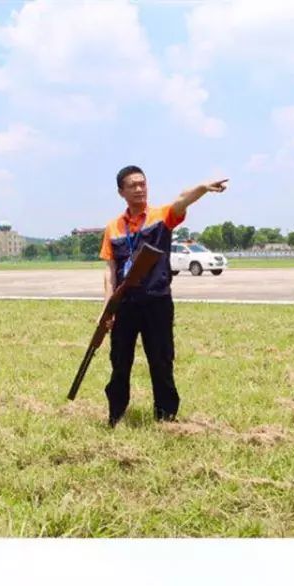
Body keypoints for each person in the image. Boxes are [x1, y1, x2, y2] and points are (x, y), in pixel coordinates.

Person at [98, 166, 227, 427]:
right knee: (120, 362)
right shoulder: (113, 228)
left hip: (157, 301)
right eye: (132, 185)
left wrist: (202, 188)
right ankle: (116, 416)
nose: (139, 189)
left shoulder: (161, 216)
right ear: (121, 191)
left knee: (161, 359)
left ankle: (166, 417)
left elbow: (182, 200)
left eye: (142, 184)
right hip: (125, 305)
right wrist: (107, 309)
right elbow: (110, 272)